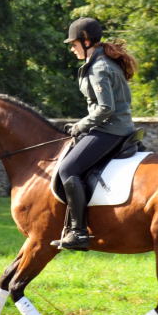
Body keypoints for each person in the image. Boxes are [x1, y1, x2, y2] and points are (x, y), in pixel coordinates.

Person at [52, 17, 138, 251]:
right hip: (114, 127)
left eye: (74, 44)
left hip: (110, 129)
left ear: (86, 41)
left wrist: (81, 125)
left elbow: (105, 108)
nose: (72, 49)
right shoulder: (102, 61)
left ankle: (78, 232)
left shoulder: (99, 67)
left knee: (68, 169)